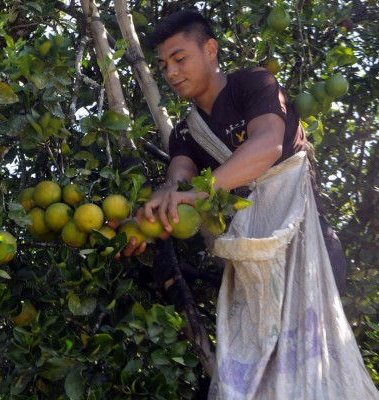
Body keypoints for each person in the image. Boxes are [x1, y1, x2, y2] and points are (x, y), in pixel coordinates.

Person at [124, 9, 379, 399]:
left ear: (210, 50)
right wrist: (150, 213)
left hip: (308, 248)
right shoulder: (185, 132)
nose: (171, 73)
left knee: (313, 369)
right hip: (254, 268)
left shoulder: (252, 84)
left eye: (179, 59)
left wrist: (199, 192)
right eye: (163, 65)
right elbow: (178, 176)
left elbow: (267, 146)